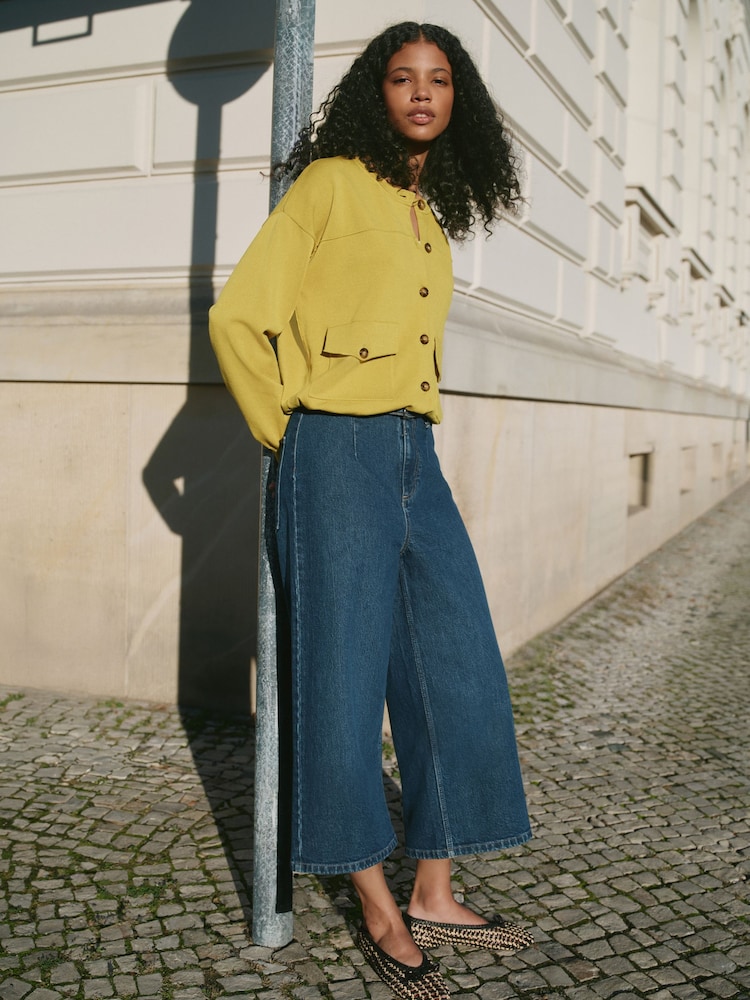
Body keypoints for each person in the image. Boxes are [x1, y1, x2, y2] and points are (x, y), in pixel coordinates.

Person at [209, 21, 533, 1000]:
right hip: (332, 450)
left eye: (439, 80)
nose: (423, 93)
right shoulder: (330, 185)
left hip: (413, 452)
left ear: (455, 101)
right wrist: (287, 432)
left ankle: (433, 884)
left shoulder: (429, 218)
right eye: (404, 78)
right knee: (341, 686)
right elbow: (239, 316)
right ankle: (377, 904)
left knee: (458, 665)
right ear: (376, 92)